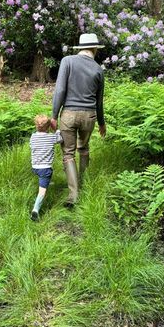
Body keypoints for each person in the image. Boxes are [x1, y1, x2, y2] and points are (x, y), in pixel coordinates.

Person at [51, 33, 106, 207]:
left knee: (68, 153)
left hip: (68, 114)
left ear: (81, 48)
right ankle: (84, 184)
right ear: (95, 49)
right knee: (83, 149)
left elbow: (60, 90)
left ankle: (73, 196)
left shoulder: (68, 61)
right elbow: (99, 101)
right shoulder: (98, 69)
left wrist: (53, 115)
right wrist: (102, 123)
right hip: (89, 116)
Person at [29, 114, 63, 221]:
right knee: (42, 191)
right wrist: (56, 130)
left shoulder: (33, 136)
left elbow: (31, 146)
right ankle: (35, 210)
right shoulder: (51, 137)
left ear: (36, 126)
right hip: (45, 169)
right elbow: (60, 139)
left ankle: (45, 183)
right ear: (48, 127)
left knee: (43, 179)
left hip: (35, 167)